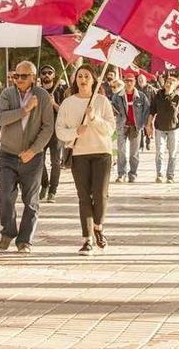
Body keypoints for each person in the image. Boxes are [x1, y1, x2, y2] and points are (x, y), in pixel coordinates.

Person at [55, 65, 116, 255]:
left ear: (93, 80)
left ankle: (98, 226)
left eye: (87, 76)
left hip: (102, 152)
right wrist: (75, 132)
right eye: (79, 76)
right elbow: (60, 130)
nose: (83, 79)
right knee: (84, 197)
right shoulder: (68, 103)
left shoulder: (102, 101)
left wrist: (94, 118)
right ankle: (87, 238)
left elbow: (110, 129)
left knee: (100, 194)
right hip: (79, 154)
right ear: (75, 80)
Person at [0, 60, 55, 254]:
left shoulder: (43, 96)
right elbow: (1, 118)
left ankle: (25, 240)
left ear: (33, 77)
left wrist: (34, 150)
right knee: (5, 195)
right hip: (8, 154)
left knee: (31, 200)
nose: (18, 79)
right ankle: (8, 231)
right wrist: (24, 110)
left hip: (33, 157)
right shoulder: (7, 94)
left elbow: (48, 128)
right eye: (16, 76)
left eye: (23, 76)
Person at [146, 75, 179, 183]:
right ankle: (159, 174)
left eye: (171, 83)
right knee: (159, 152)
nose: (168, 84)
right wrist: (148, 125)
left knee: (172, 152)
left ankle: (170, 175)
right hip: (160, 128)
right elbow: (152, 111)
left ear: (175, 86)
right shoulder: (158, 96)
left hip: (174, 129)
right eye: (167, 82)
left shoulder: (178, 98)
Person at [111, 71, 151, 183]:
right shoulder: (117, 96)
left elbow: (147, 111)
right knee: (121, 151)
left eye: (131, 81)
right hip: (122, 126)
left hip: (135, 127)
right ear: (124, 82)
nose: (129, 83)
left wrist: (144, 125)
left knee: (134, 153)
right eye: (127, 81)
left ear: (135, 82)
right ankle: (121, 174)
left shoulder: (141, 96)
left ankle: (133, 173)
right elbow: (112, 110)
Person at [38, 64, 67, 203]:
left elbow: (65, 112)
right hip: (41, 131)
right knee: (38, 161)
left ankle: (52, 191)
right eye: (44, 72)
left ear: (54, 75)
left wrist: (54, 103)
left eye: (50, 72)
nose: (47, 75)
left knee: (55, 162)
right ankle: (44, 184)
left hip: (56, 131)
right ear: (40, 75)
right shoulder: (36, 92)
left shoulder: (60, 91)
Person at [136, 74, 157, 151]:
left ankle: (148, 142)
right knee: (139, 128)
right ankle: (141, 145)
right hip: (138, 111)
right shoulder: (136, 89)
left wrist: (155, 110)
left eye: (142, 79)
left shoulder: (150, 89)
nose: (140, 80)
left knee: (148, 127)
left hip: (149, 111)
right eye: (139, 79)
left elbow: (155, 99)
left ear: (145, 80)